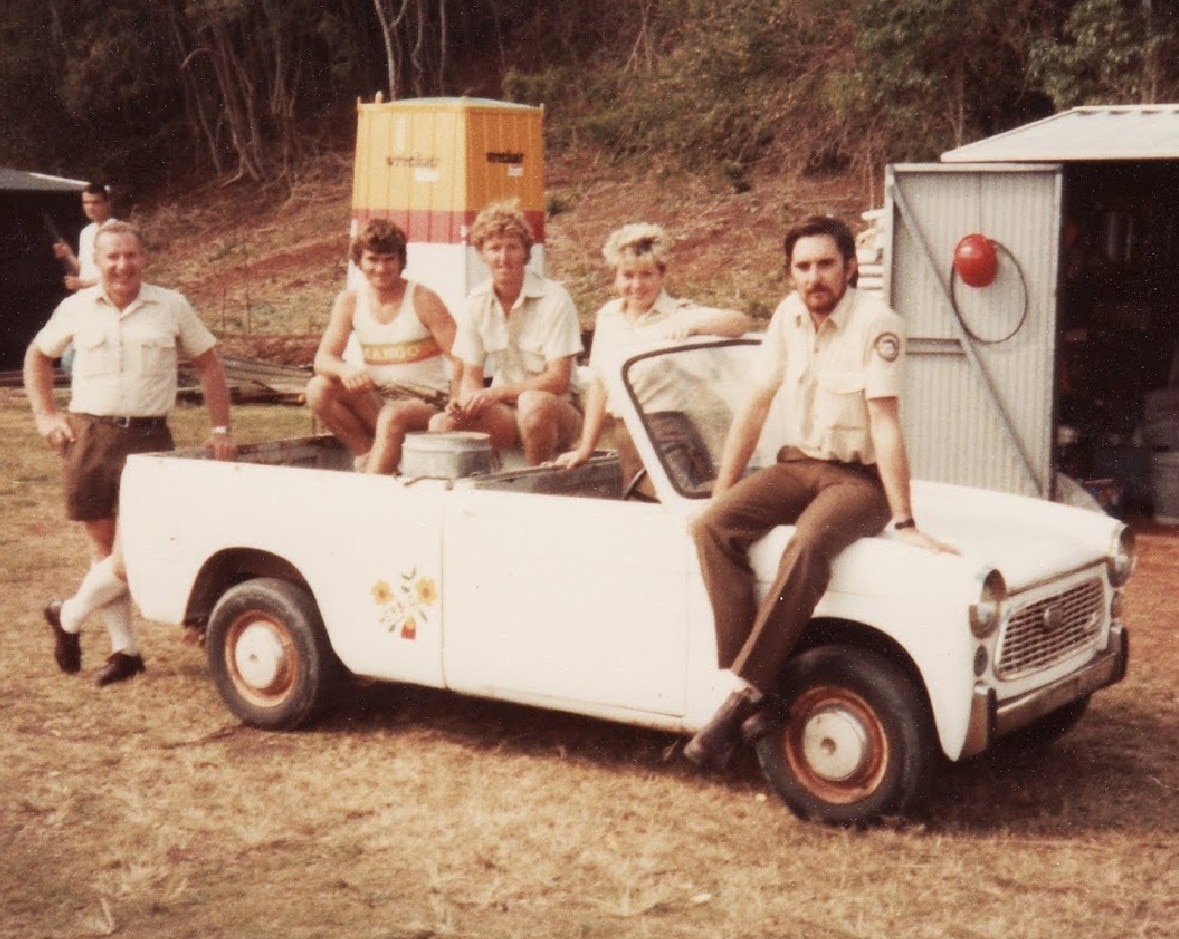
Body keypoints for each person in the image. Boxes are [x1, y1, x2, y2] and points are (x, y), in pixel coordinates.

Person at [685, 215, 957, 770]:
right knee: (711, 526)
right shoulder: (789, 316)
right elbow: (755, 406)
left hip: (859, 479)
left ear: (851, 268)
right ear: (790, 275)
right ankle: (767, 687)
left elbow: (884, 422)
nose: (814, 277)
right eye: (803, 267)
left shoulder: (878, 324)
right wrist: (723, 489)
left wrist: (904, 520)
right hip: (798, 464)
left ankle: (743, 696)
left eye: (826, 264)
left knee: (807, 545)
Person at [24, 221, 237, 686]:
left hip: (149, 441)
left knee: (131, 555)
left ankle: (69, 615)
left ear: (144, 258)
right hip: (89, 437)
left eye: (130, 256)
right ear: (97, 262)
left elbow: (208, 364)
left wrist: (220, 427)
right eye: (112, 257)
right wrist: (45, 415)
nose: (122, 265)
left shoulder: (171, 305)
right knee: (102, 548)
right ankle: (126, 652)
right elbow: (37, 356)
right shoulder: (76, 307)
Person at [555, 222, 749, 489]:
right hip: (626, 433)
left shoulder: (676, 312)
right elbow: (601, 383)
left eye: (646, 274)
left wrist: (693, 326)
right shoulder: (608, 316)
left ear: (661, 274)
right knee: (637, 504)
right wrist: (586, 448)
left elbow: (739, 322)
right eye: (628, 275)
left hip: (668, 435)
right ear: (616, 276)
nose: (637, 284)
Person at [430, 201, 583, 465]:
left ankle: (537, 489)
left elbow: (558, 379)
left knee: (532, 404)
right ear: (481, 253)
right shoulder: (475, 302)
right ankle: (468, 499)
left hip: (556, 410)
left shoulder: (555, 298)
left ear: (525, 251)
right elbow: (470, 376)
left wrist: (496, 394)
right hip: (507, 413)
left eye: (512, 247)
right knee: (440, 424)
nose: (504, 257)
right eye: (494, 248)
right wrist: (468, 400)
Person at [306, 219, 457, 474]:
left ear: (401, 261)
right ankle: (368, 455)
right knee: (317, 388)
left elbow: (462, 357)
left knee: (392, 415)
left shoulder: (423, 299)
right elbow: (323, 359)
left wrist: (457, 405)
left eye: (389, 259)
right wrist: (345, 371)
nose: (381, 268)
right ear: (359, 262)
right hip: (380, 397)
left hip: (426, 403)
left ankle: (371, 489)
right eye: (373, 260)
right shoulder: (350, 301)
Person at [54, 181, 116, 292]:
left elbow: (118, 274)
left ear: (107, 203)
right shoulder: (86, 232)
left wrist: (84, 283)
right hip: (86, 296)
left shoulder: (116, 230)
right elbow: (82, 270)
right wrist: (68, 255)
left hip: (108, 296)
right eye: (86, 203)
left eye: (96, 202)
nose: (90, 207)